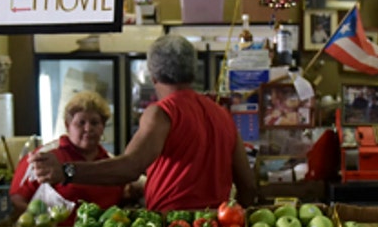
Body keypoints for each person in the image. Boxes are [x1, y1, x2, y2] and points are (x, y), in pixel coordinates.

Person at [31, 35, 257, 212]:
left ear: (153, 75)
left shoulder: (162, 112)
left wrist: (66, 171)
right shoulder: (222, 115)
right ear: (192, 71)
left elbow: (130, 167)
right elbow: (247, 186)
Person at [9, 91, 128, 224]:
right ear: (67, 125)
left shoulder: (109, 162)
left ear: (103, 127)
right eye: (81, 123)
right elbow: (16, 200)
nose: (88, 128)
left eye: (94, 123)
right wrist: (39, 225)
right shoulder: (45, 157)